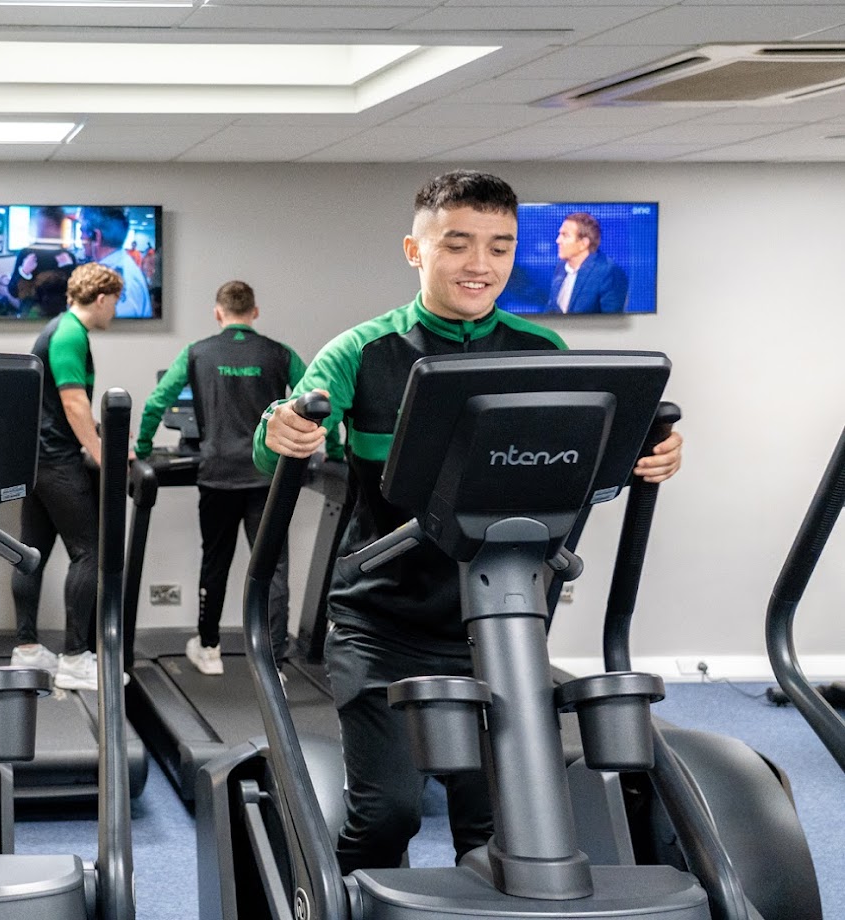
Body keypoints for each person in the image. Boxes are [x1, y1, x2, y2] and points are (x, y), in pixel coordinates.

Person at [255, 170, 683, 874]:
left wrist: (653, 452)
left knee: (498, 826)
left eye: (500, 246)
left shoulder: (542, 351)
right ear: (415, 251)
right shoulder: (362, 351)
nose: (480, 264)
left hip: (501, 625)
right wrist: (281, 430)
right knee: (388, 813)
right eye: (457, 244)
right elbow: (282, 435)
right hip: (382, 623)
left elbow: (599, 454)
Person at [135, 281, 331, 675]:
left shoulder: (197, 352)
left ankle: (209, 649)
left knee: (216, 561)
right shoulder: (279, 353)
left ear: (218, 313)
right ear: (254, 312)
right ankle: (275, 661)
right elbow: (321, 398)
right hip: (268, 476)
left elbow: (157, 401)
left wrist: (142, 448)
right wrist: (337, 450)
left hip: (217, 476)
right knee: (273, 567)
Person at [10, 262, 123, 691]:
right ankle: (76, 658)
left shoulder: (59, 329)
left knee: (31, 553)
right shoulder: (70, 333)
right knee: (88, 552)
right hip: (57, 460)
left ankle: (27, 649)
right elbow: (74, 403)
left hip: (37, 458)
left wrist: (102, 439)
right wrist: (104, 454)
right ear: (101, 299)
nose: (115, 311)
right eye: (115, 302)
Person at [547, 212, 629, 314]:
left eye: (565, 235)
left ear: (583, 243)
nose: (558, 240)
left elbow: (612, 320)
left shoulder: (607, 272)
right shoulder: (561, 267)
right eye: (559, 234)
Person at [79, 206, 153, 319]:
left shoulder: (116, 282)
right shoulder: (116, 267)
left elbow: (113, 327)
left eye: (82, 231)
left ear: (97, 236)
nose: (81, 238)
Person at [8, 206, 77, 318]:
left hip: (58, 318)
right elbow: (13, 291)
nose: (42, 230)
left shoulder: (67, 257)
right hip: (29, 317)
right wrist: (24, 272)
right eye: (40, 225)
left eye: (48, 225)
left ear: (58, 227)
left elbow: (76, 294)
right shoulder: (27, 253)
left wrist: (68, 268)